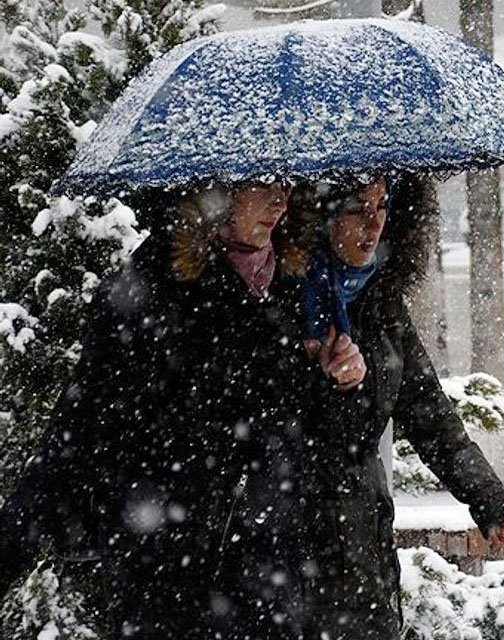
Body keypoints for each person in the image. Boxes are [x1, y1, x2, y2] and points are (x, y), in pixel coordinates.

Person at [0, 181, 312, 640]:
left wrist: (331, 371)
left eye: (286, 183)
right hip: (164, 566)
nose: (280, 199)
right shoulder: (154, 286)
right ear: (219, 189)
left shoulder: (291, 285)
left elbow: (290, 430)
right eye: (261, 183)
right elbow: (80, 424)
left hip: (264, 574)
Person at [287, 177, 504, 640]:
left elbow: (429, 412)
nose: (373, 223)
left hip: (362, 537)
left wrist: (488, 499)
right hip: (291, 545)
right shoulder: (287, 299)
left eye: (382, 205)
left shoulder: (379, 299)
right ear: (322, 215)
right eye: (357, 208)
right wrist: (328, 382)